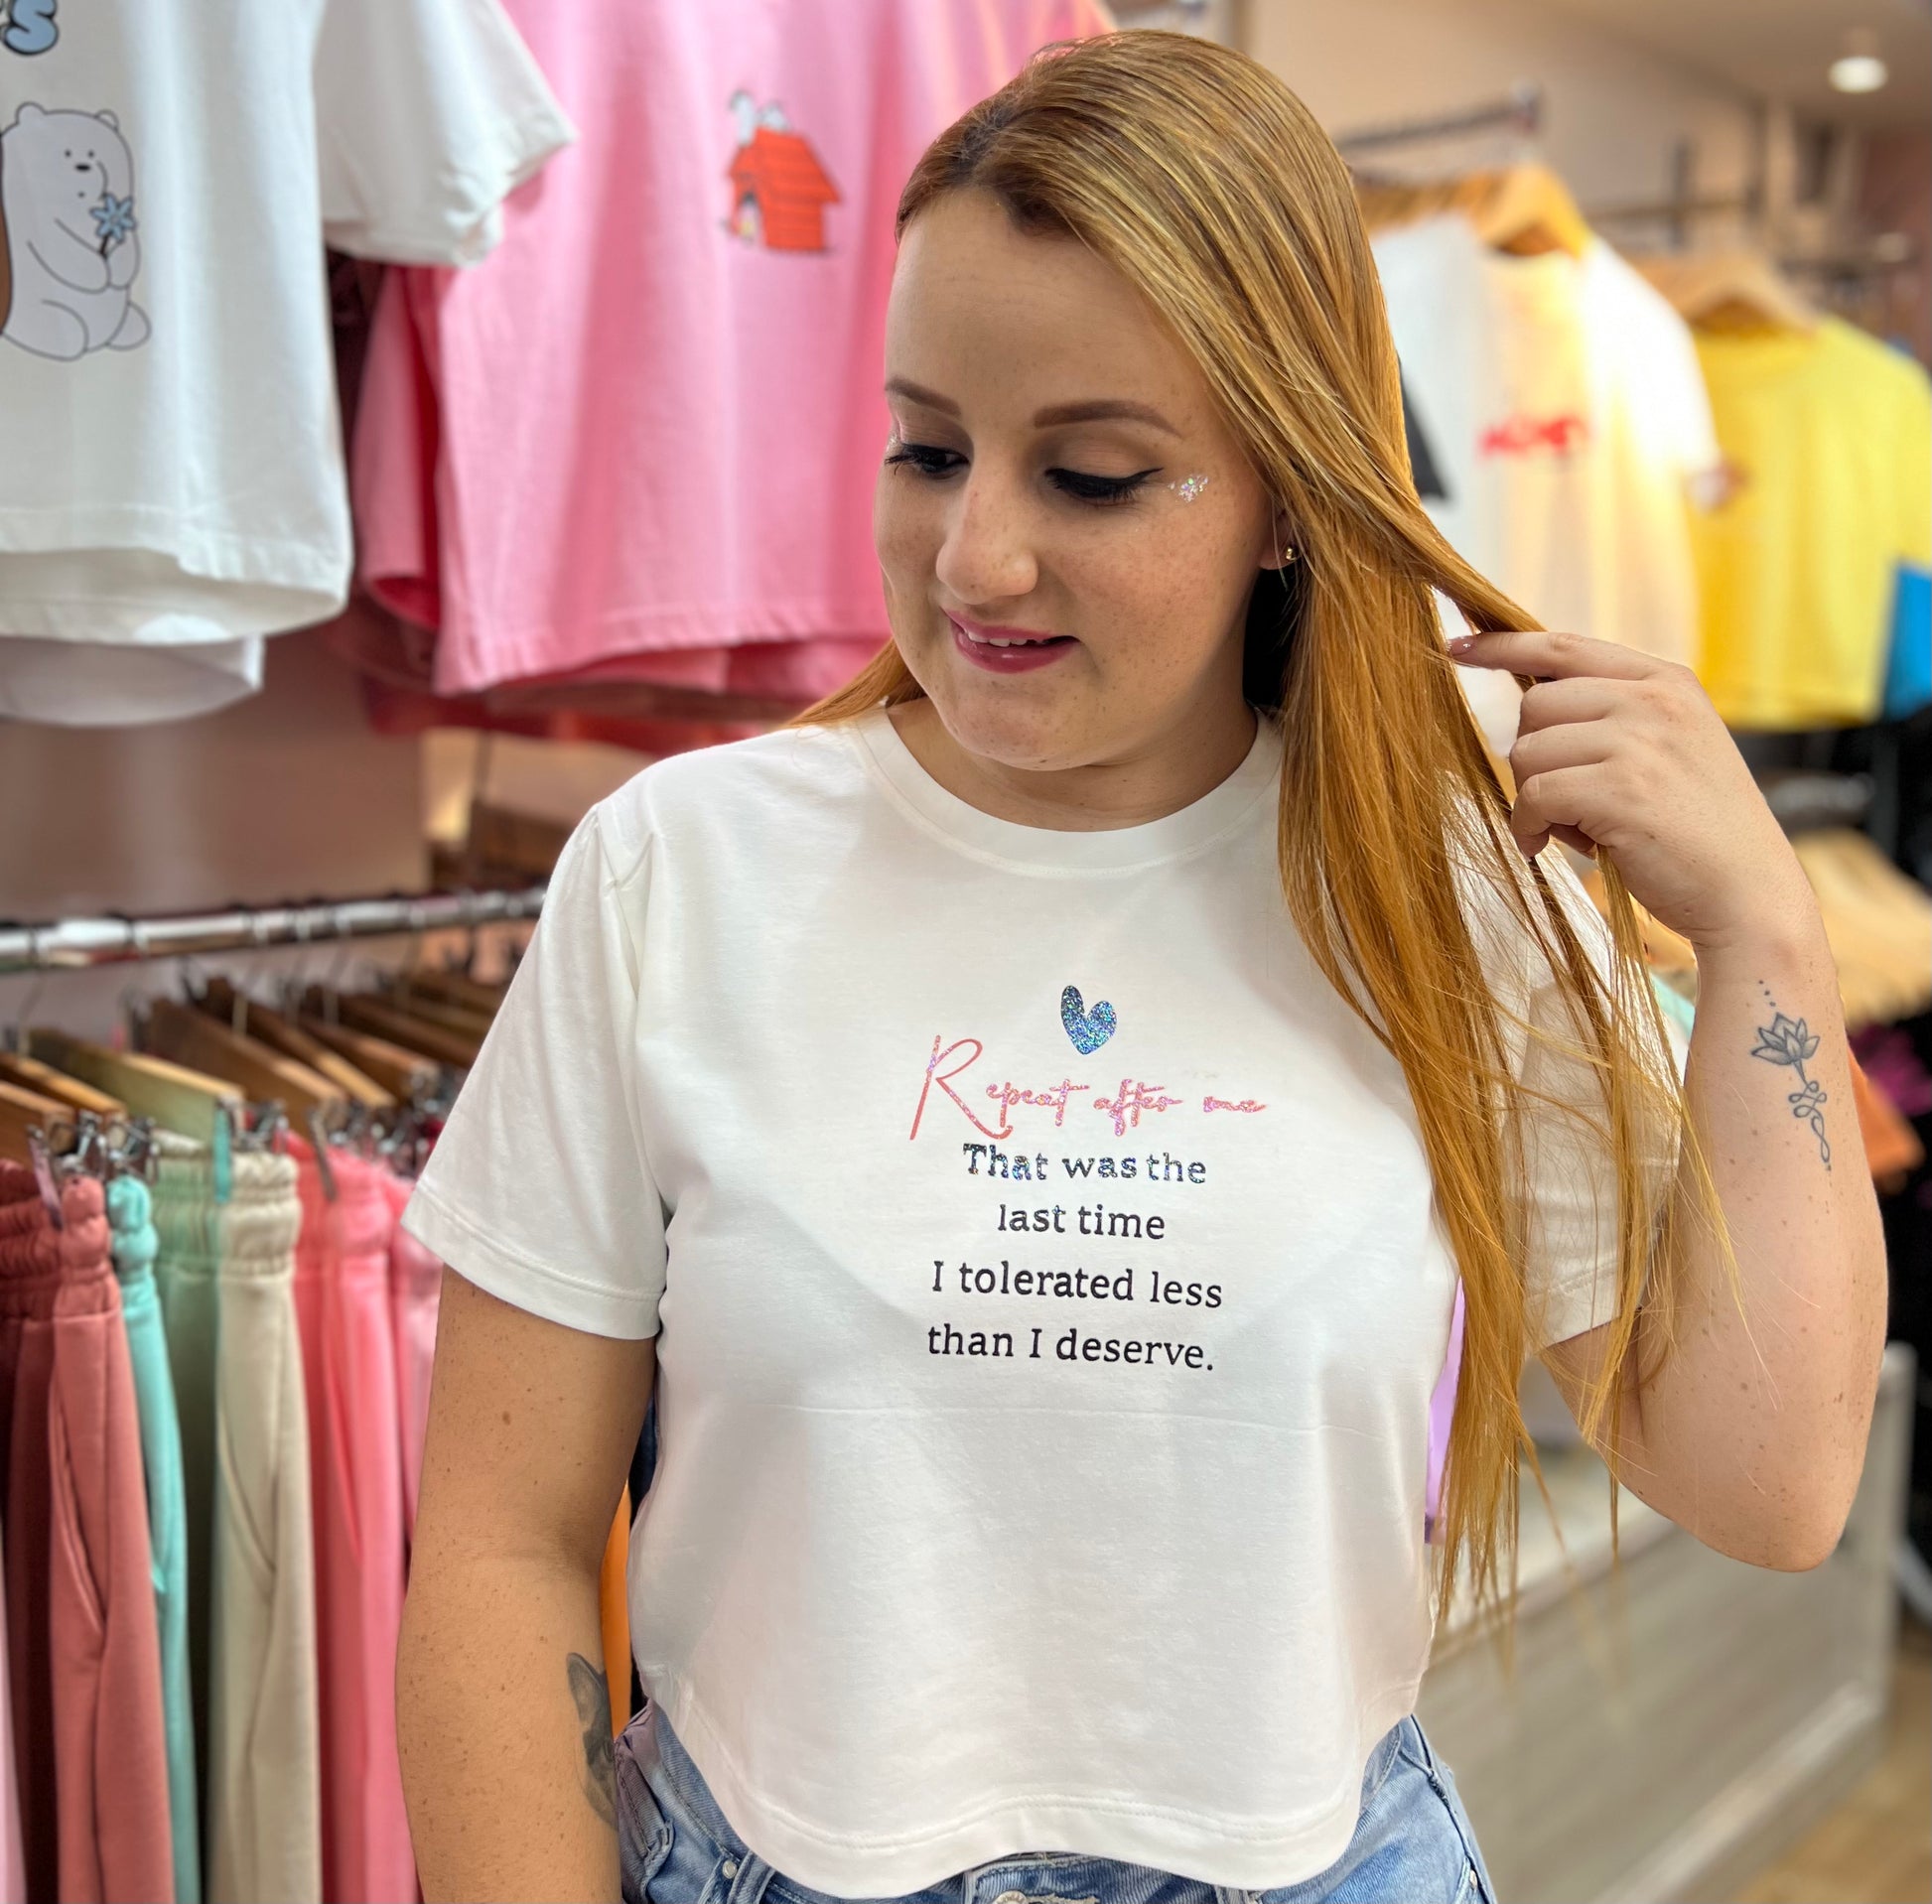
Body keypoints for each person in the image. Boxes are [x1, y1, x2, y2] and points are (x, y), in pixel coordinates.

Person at [393, 31, 1888, 1904]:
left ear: (1286, 494)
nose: (976, 556)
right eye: (927, 447)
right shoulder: (676, 873)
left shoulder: (1446, 894)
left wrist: (1764, 934)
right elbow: (503, 1542)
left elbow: (1770, 1478)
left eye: (1093, 475)